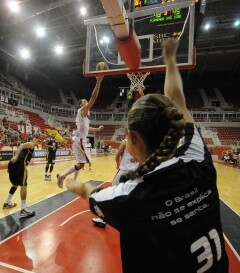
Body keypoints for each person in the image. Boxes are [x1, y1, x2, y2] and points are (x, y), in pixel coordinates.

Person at [64, 39, 229, 273]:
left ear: (131, 139)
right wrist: (171, 61)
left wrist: (76, 186)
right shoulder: (197, 160)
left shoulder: (128, 198)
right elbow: (178, 100)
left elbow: (92, 194)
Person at [57, 76, 104, 188]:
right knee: (82, 164)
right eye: (84, 101)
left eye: (86, 101)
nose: (86, 102)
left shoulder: (86, 116)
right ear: (81, 105)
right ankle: (62, 176)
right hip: (79, 140)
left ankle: (72, 180)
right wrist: (98, 82)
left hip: (79, 139)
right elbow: (93, 97)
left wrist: (96, 129)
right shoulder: (82, 111)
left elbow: (87, 128)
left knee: (81, 163)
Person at [92, 135, 139, 228]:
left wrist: (118, 164)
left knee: (112, 192)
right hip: (135, 172)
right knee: (130, 193)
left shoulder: (125, 142)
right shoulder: (140, 141)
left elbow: (117, 156)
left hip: (124, 171)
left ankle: (102, 219)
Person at [2, 136, 39, 218]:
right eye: (35, 139)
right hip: (20, 163)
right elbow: (21, 145)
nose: (37, 140)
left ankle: (7, 202)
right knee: (23, 185)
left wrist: (11, 166)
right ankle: (23, 209)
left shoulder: (28, 148)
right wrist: (15, 157)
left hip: (13, 164)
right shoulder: (31, 144)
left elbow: (21, 148)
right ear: (31, 140)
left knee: (15, 184)